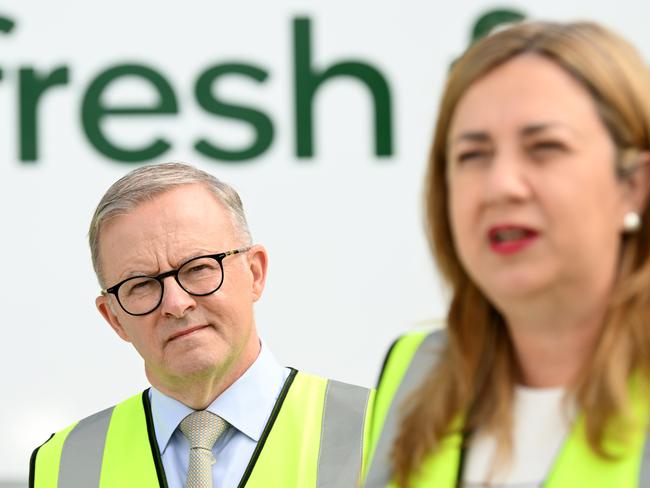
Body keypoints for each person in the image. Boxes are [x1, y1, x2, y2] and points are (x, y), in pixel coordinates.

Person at [364, 21, 650, 487]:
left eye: (545, 148)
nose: (500, 186)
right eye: (473, 155)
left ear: (634, 186)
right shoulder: (414, 368)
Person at [30, 162, 372, 488]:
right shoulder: (65, 464)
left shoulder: (380, 430)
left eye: (198, 268)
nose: (176, 304)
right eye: (142, 285)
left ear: (255, 273)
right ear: (114, 318)